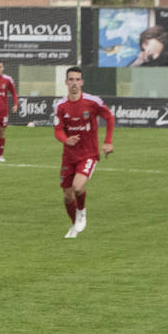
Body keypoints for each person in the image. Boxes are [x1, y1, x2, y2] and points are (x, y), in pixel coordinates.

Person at [54, 66, 115, 239]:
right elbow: (57, 130)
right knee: (67, 196)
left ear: (82, 82)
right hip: (69, 156)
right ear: (66, 82)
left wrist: (108, 142)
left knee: (78, 187)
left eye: (77, 79)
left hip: (88, 154)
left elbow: (109, 117)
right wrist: (66, 139)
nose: (74, 83)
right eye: (71, 79)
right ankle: (74, 226)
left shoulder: (92, 101)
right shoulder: (60, 106)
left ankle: (82, 211)